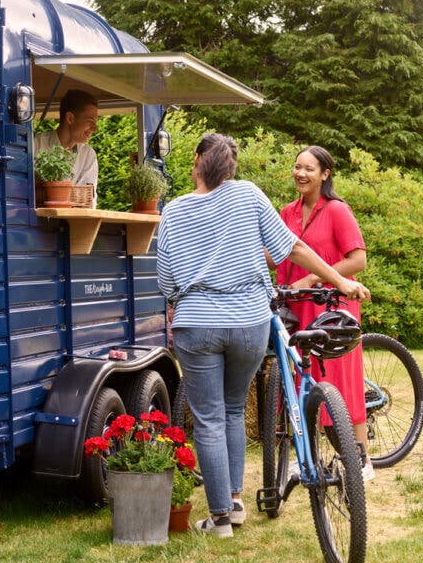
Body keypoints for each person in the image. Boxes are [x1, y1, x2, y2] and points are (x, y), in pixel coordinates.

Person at [157, 134, 370, 538]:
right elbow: (293, 248)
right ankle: (235, 501)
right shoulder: (249, 196)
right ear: (232, 167)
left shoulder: (175, 211)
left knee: (208, 420)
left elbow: (166, 280)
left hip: (198, 324)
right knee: (235, 409)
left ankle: (221, 517)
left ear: (197, 161)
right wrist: (340, 280)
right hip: (250, 322)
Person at [274, 145, 374, 481]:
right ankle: (308, 457)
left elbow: (357, 260)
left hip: (332, 307)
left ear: (325, 174)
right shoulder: (287, 212)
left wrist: (315, 276)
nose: (300, 174)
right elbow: (274, 253)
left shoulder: (337, 210)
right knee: (302, 380)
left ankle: (360, 459)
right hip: (296, 306)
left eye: (309, 169)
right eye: (297, 167)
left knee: (339, 379)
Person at [33, 89, 99, 207]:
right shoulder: (35, 144)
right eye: (90, 121)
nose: (95, 128)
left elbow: (87, 201)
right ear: (70, 118)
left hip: (72, 223)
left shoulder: (88, 155)